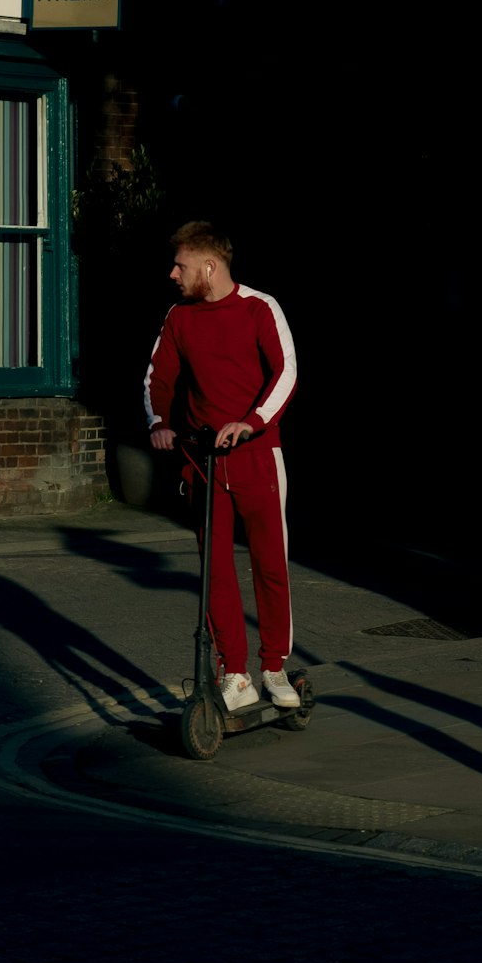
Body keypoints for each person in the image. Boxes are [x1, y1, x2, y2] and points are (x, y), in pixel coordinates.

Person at [144, 220, 299, 711]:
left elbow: (287, 372)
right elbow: (156, 380)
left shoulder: (260, 308)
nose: (173, 274)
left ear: (209, 267)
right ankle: (236, 673)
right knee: (215, 572)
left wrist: (251, 422)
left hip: (256, 457)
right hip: (202, 461)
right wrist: (159, 423)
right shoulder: (178, 318)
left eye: (182, 265)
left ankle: (273, 666)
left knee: (269, 566)